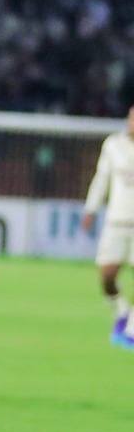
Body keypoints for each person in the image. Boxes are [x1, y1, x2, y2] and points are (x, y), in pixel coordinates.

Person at [80, 106, 134, 347]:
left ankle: (131, 328)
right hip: (116, 222)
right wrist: (91, 209)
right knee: (107, 276)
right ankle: (123, 311)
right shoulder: (113, 145)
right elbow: (102, 178)